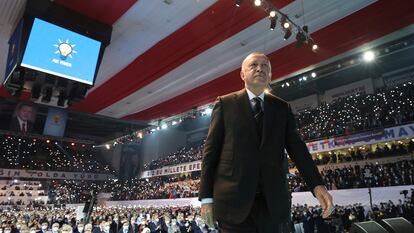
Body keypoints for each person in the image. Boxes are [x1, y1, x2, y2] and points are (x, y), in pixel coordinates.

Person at [198, 52, 334, 233]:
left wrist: (317, 185)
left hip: (273, 206)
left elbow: (298, 151)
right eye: (253, 65)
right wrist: (206, 199)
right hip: (233, 205)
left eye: (265, 66)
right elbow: (210, 154)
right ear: (242, 74)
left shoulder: (281, 107)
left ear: (270, 75)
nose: (260, 68)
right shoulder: (225, 104)